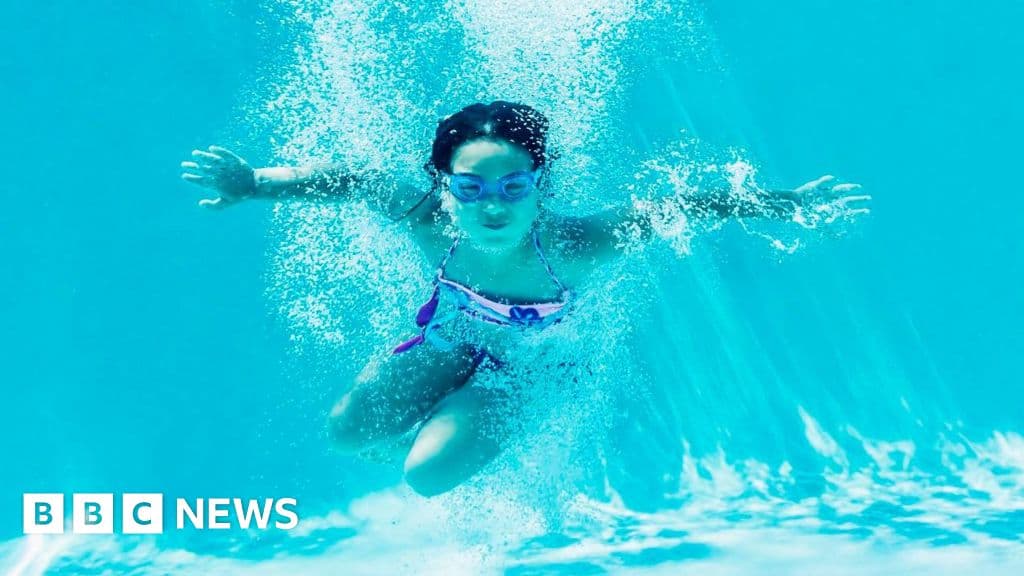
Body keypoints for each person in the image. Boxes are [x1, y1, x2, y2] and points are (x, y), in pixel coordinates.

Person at [180, 101, 869, 497]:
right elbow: (351, 179)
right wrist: (256, 183)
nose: (493, 205)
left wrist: (785, 204)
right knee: (345, 432)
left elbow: (682, 204)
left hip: (522, 373)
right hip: (448, 344)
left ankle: (514, 416)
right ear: (444, 183)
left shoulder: (574, 243)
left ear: (541, 181)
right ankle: (450, 427)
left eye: (513, 187)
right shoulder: (427, 219)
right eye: (471, 188)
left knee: (425, 477)